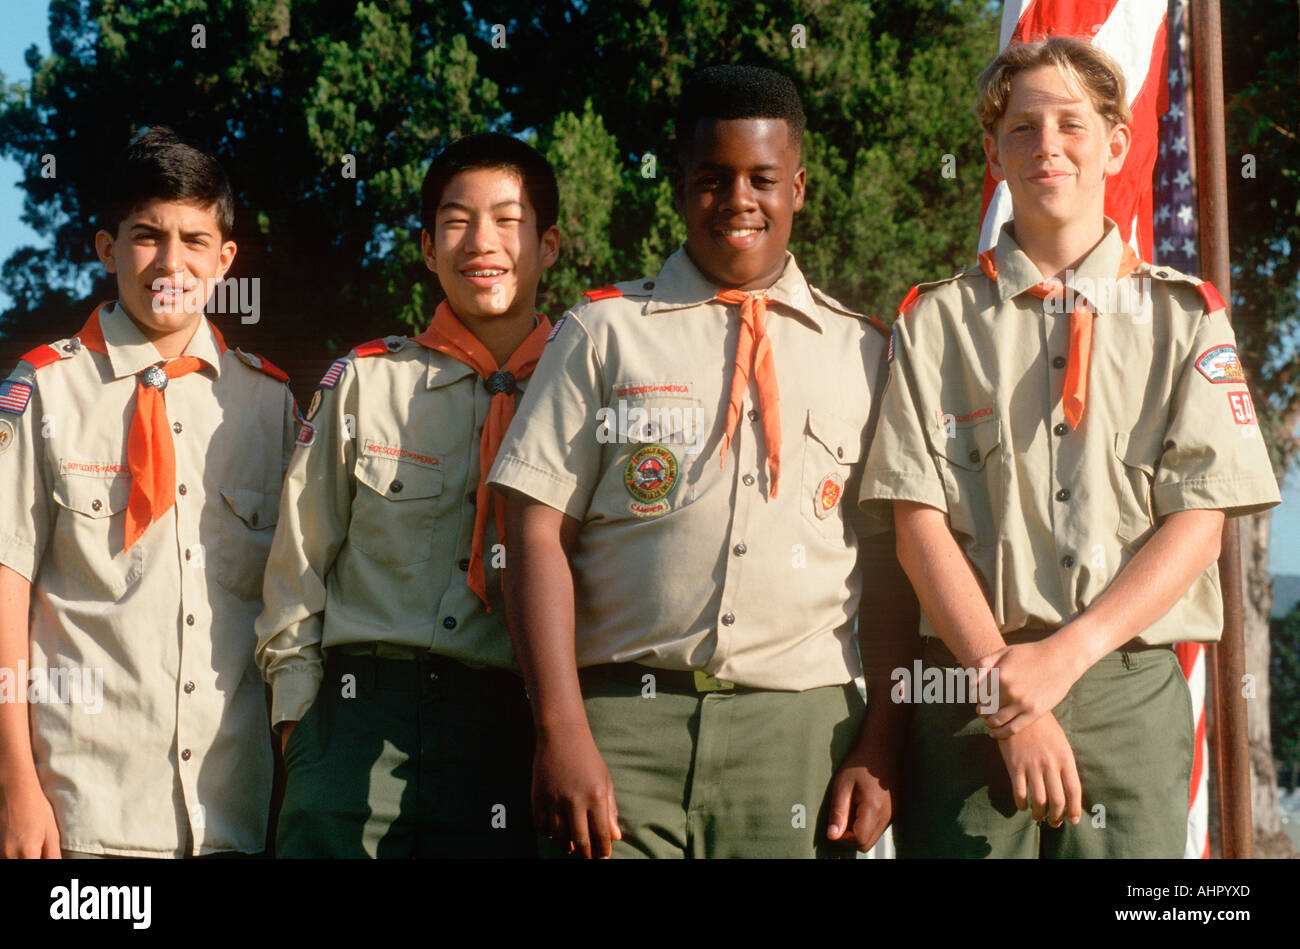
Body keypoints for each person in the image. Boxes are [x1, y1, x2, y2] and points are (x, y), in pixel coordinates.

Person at [860, 36, 1281, 857]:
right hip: (971, 689)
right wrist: (1006, 689)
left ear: (1116, 144)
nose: (1046, 145)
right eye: (1022, 128)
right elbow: (916, 523)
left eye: (1071, 124)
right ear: (992, 151)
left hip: (1127, 688)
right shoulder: (935, 321)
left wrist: (1068, 656)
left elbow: (1201, 519)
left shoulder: (1184, 318)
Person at [488, 64, 917, 859]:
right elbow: (534, 532)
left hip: (799, 737)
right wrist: (562, 728)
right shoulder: (602, 333)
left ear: (800, 187)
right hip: (620, 727)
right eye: (712, 179)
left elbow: (892, 566)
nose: (739, 200)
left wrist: (881, 741)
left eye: (763, 178)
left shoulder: (864, 352)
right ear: (679, 186)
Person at [256, 132, 559, 857]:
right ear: (427, 247)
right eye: (456, 220)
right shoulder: (366, 382)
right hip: (355, 719)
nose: (481, 241)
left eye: (508, 220)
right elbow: (297, 565)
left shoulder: (582, 387)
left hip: (513, 725)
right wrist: (301, 729)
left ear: (549, 245)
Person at [0, 127, 296, 858]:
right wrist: (15, 787)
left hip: (235, 816)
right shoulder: (42, 389)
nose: (172, 261)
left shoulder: (269, 406)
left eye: (196, 239)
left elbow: (295, 605)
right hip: (81, 814)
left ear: (226, 259)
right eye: (146, 236)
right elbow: (4, 599)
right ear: (106, 249)